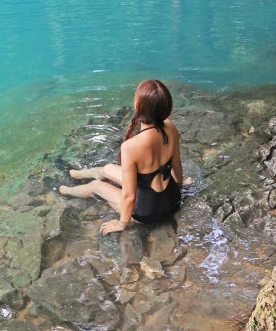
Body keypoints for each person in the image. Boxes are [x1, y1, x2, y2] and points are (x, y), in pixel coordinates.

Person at [59, 79, 185, 234]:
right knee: (107, 169)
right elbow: (177, 165)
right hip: (172, 200)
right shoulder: (169, 126)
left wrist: (121, 224)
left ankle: (66, 190)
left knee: (95, 186)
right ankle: (79, 174)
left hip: (148, 213)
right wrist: (179, 187)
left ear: (138, 105)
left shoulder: (131, 147)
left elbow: (129, 196)